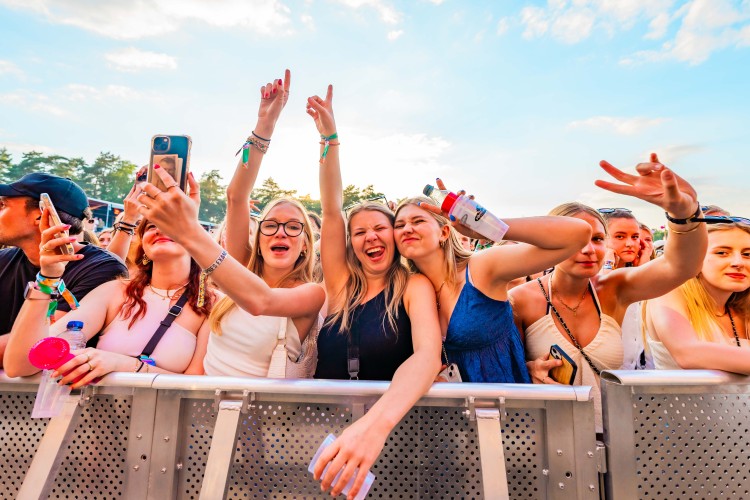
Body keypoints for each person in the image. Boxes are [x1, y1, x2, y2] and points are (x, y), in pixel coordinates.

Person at [135, 71, 325, 379]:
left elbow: (260, 301)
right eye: (271, 225)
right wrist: (265, 124)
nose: (280, 232)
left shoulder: (311, 293)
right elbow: (237, 196)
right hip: (203, 409)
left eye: (293, 227)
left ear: (306, 243)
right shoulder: (240, 268)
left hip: (258, 420)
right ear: (258, 237)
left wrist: (189, 231)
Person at [309, 83, 442, 499]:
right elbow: (331, 208)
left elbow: (426, 357)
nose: (371, 238)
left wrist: (375, 426)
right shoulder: (341, 285)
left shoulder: (413, 286)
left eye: (379, 229)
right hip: (322, 433)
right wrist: (329, 139)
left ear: (395, 237)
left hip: (395, 436)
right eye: (360, 232)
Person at [510, 154, 707, 432]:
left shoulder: (615, 289)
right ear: (548, 242)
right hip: (550, 439)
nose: (589, 249)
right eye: (575, 239)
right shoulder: (521, 299)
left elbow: (682, 266)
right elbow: (505, 371)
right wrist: (527, 370)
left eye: (598, 239)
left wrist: (684, 213)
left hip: (617, 438)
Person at [395, 184, 591, 384]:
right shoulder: (407, 289)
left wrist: (487, 228)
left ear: (444, 232)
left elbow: (578, 233)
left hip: (504, 407)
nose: (407, 229)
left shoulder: (481, 268)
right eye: (399, 225)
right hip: (447, 411)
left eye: (418, 221)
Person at [4, 203, 215, 384]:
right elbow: (20, 365)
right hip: (94, 426)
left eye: (174, 225)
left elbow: (197, 384)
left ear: (196, 240)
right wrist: (47, 279)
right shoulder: (115, 291)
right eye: (151, 226)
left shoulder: (214, 304)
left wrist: (122, 364)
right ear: (143, 247)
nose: (160, 230)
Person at [0, 173, 127, 363]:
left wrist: (47, 279)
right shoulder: (3, 260)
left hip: (56, 390)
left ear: (41, 215)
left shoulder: (102, 269)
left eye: (3, 205)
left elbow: (33, 348)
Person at [645, 220, 750, 370]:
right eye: (722, 253)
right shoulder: (666, 292)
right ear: (693, 257)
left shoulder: (743, 307)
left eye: (747, 254)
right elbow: (687, 353)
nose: (738, 262)